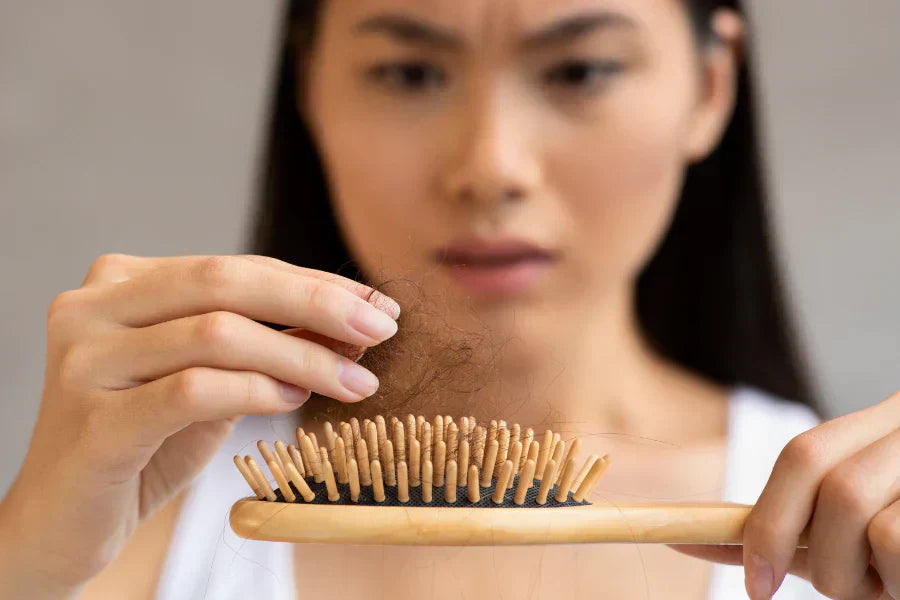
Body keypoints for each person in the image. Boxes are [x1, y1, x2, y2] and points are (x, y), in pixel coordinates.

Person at [1, 0, 898, 598]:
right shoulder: (135, 518)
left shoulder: (852, 535)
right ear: (310, 86)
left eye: (580, 71)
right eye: (411, 74)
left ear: (709, 88)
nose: (490, 166)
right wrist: (28, 565)